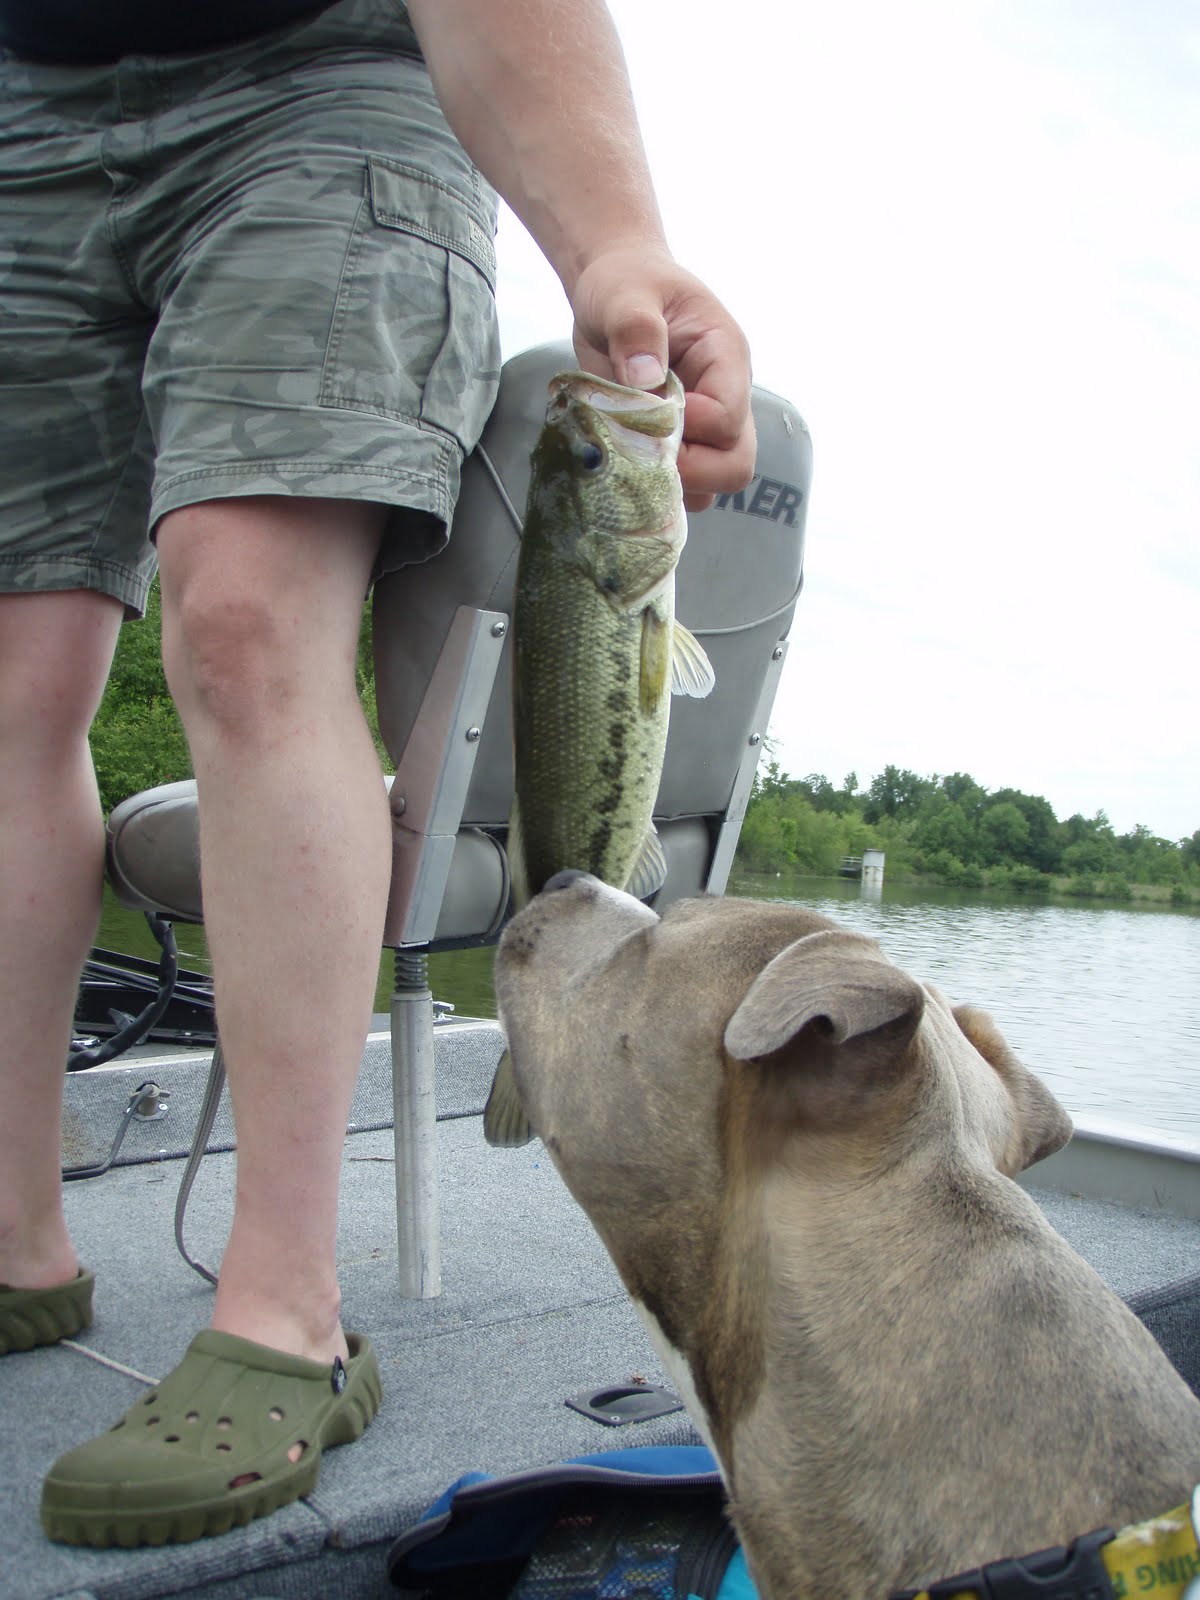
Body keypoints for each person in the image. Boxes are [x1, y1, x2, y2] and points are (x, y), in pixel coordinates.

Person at [0, 0, 756, 1547]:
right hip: (25, 109)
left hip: (320, 86)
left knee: (242, 622)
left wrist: (611, 239)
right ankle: (16, 1237)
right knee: (12, 688)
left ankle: (289, 1310)